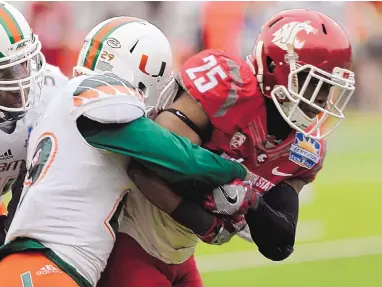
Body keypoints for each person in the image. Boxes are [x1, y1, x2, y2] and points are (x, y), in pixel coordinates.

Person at [0, 16, 250, 287]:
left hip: (35, 264)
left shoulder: (67, 102)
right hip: (50, 266)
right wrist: (236, 170)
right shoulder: (100, 98)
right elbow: (177, 157)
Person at [99, 9, 356, 287]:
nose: (321, 98)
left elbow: (279, 243)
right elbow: (147, 164)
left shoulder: (301, 148)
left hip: (178, 255)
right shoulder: (228, 87)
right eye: (313, 82)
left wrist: (251, 202)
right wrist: (205, 217)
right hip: (129, 237)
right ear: (274, 66)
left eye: (328, 87)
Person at [0, 1, 49, 286]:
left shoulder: (49, 91)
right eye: (2, 74)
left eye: (23, 65)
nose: (21, 84)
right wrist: (1, 236)